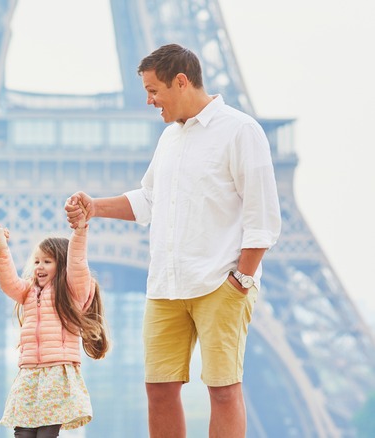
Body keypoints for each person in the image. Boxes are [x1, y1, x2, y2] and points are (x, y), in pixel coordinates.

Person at [65, 43, 281, 438]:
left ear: (181, 81)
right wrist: (94, 206)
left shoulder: (240, 130)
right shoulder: (170, 138)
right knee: (159, 389)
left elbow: (262, 218)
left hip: (221, 284)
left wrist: (241, 281)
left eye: (153, 90)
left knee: (223, 389)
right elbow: (148, 200)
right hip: (166, 285)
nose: (149, 101)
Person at [0, 214, 109, 438]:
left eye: (47, 261)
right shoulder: (27, 292)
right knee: (22, 433)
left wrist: (80, 231)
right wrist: (1, 245)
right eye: (36, 261)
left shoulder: (72, 292)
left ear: (62, 264)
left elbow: (78, 264)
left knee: (45, 434)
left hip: (57, 370)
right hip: (29, 372)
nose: (39, 267)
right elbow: (8, 281)